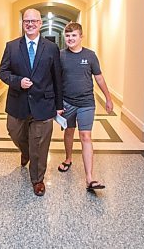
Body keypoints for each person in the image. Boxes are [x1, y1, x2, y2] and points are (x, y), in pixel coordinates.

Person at [0, 8, 63, 196]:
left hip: (43, 102)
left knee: (40, 143)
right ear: (23, 23)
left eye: (34, 21)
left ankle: (37, 179)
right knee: (14, 131)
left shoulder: (51, 48)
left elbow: (57, 77)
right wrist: (17, 81)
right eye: (27, 21)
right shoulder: (11, 46)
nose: (30, 24)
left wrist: (59, 106)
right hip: (18, 102)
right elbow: (2, 72)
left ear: (40, 24)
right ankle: (25, 151)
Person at [57, 22, 113, 191]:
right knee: (69, 131)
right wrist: (57, 104)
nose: (70, 39)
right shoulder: (60, 56)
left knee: (85, 136)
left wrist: (108, 98)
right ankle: (68, 158)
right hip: (67, 102)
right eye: (67, 36)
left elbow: (99, 78)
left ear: (81, 37)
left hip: (87, 102)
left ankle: (90, 178)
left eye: (74, 35)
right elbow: (56, 81)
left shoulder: (90, 56)